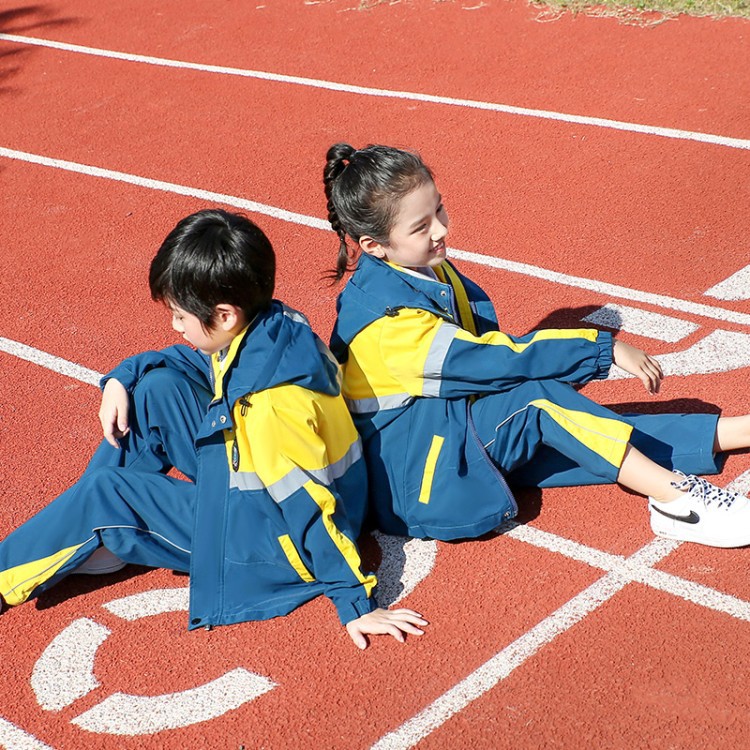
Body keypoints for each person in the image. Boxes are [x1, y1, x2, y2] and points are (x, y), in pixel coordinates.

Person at [0, 208, 427, 649]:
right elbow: (192, 362)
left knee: (106, 493)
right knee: (155, 389)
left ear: (224, 315)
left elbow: (309, 504)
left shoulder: (271, 405)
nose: (175, 325)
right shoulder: (273, 325)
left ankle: (59, 545)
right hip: (263, 498)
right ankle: (92, 534)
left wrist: (355, 603)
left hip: (273, 544)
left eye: (181, 317)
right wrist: (121, 379)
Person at [323, 142, 750, 547]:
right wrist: (602, 349)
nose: (440, 228)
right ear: (374, 246)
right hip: (421, 482)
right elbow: (494, 359)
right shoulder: (389, 327)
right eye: (421, 226)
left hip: (451, 433)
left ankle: (733, 432)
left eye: (439, 208)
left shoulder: (422, 268)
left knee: (586, 427)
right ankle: (676, 503)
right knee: (540, 400)